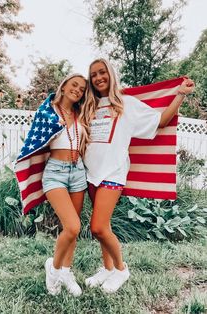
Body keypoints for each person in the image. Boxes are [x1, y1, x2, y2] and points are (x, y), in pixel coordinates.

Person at [80, 58, 195, 294]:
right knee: (104, 225)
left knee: (98, 227)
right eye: (93, 74)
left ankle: (121, 269)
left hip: (113, 173)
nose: (98, 77)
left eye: (102, 72)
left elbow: (161, 121)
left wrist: (180, 95)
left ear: (110, 74)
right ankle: (107, 268)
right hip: (90, 173)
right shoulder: (89, 106)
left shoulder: (127, 104)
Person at [15, 74, 88, 297]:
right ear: (64, 86)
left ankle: (66, 270)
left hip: (78, 172)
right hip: (55, 172)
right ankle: (53, 268)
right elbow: (34, 143)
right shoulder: (47, 112)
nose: (78, 90)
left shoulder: (80, 114)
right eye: (74, 85)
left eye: (82, 88)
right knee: (73, 226)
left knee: (71, 231)